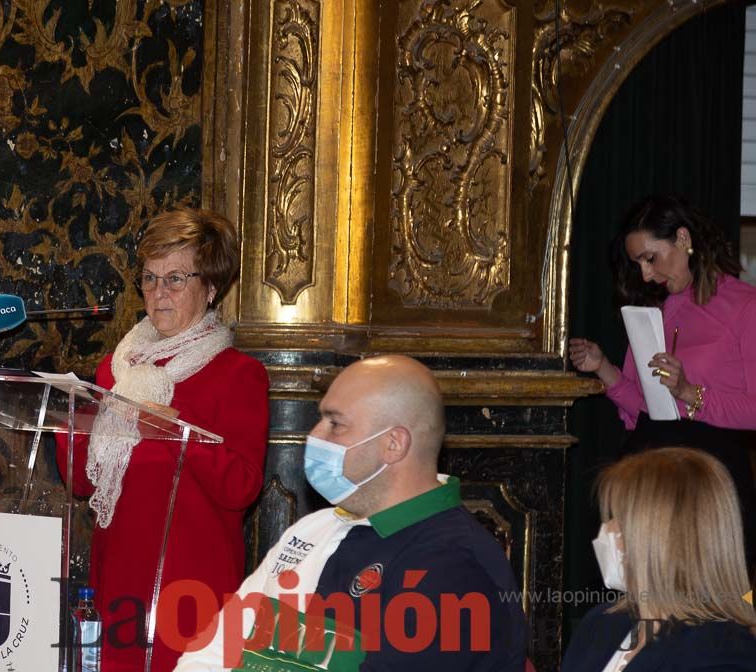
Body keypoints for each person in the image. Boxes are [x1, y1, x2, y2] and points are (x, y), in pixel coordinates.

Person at [171, 355, 527, 671]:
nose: (314, 435)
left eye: (335, 424)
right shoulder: (315, 528)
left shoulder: (455, 567)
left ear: (393, 444)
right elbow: (213, 649)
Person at [57, 207, 270, 672]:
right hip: (115, 587)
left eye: (175, 279)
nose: (158, 294)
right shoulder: (116, 370)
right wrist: (65, 419)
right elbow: (81, 482)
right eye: (149, 279)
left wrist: (177, 425)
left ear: (211, 287)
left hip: (192, 593)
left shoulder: (238, 375)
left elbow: (242, 487)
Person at [568, 194, 756, 561]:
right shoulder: (657, 309)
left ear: (683, 240)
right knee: (634, 595)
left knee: (701, 605)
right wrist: (603, 367)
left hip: (708, 479)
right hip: (648, 472)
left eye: (650, 258)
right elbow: (645, 406)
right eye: (639, 263)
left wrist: (689, 392)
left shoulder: (744, 306)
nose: (646, 275)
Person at [561, 447, 756, 671]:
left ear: (664, 539)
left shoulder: (723, 653)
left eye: (620, 519)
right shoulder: (601, 623)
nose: (607, 529)